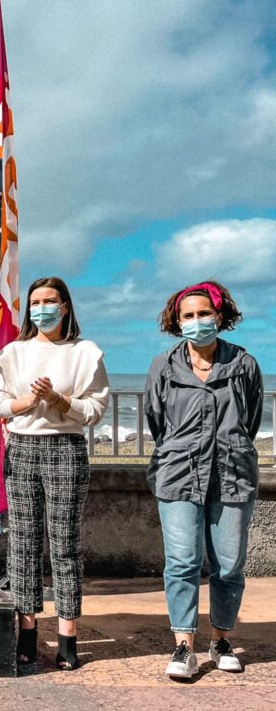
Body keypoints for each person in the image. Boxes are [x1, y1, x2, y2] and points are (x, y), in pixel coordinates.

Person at [0, 277, 109, 671]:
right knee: (23, 543)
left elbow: (95, 411)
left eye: (50, 301)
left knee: (65, 543)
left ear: (65, 306)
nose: (42, 308)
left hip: (66, 449)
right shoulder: (14, 352)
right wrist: (28, 401)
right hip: (22, 448)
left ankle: (68, 634)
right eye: (36, 302)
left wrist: (59, 400)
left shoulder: (86, 352)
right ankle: (26, 630)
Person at [144, 281, 262, 680]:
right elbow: (157, 421)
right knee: (182, 561)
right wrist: (182, 448)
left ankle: (221, 639)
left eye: (204, 313)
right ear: (177, 322)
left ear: (219, 315)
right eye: (188, 315)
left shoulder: (243, 364)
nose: (197, 321)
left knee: (228, 565)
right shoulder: (164, 365)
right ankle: (183, 646)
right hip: (178, 473)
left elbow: (250, 419)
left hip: (232, 474)